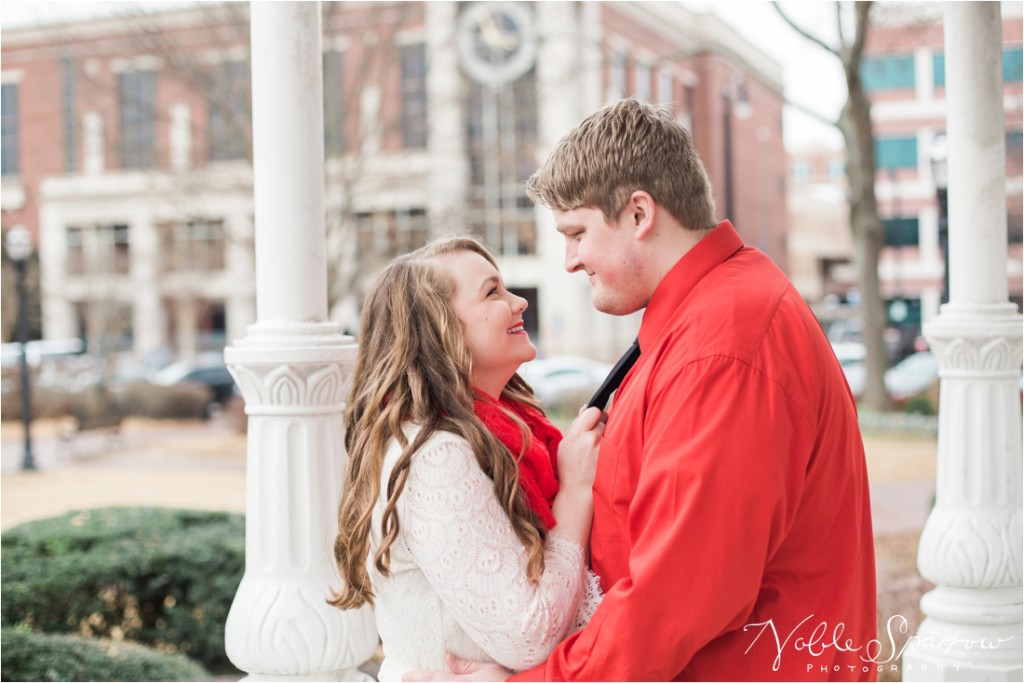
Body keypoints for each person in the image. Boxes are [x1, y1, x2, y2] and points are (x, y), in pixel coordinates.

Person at [406, 99, 877, 681]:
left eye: (577, 233)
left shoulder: (723, 346)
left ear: (638, 214)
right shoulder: (706, 323)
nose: (570, 261)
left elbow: (679, 596)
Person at [330, 237, 607, 681]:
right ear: (442, 329)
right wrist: (575, 490)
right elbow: (529, 635)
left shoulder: (512, 431)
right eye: (492, 292)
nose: (518, 303)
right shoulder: (434, 456)